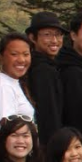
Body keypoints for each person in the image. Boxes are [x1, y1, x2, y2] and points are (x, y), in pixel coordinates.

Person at [25, 11, 67, 141]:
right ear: (32, 38)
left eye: (58, 35)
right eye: (47, 35)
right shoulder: (43, 70)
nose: (54, 40)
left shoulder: (46, 65)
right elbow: (49, 113)